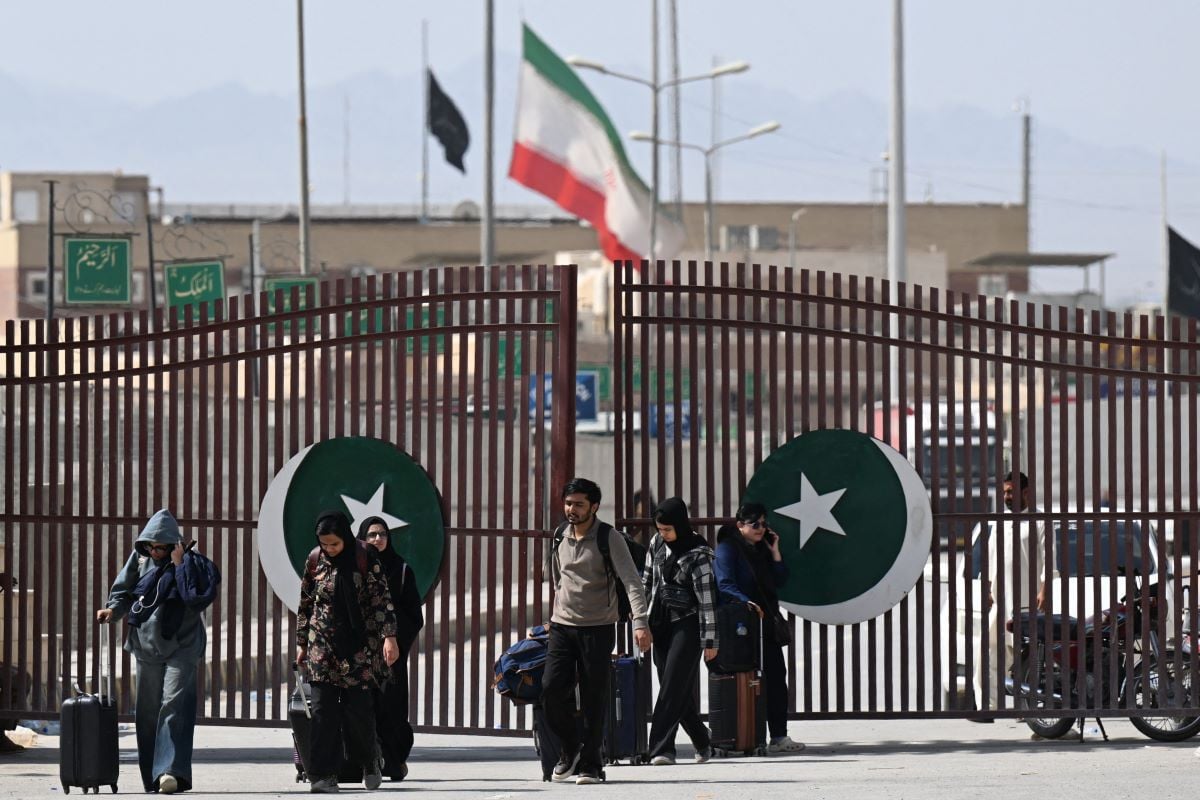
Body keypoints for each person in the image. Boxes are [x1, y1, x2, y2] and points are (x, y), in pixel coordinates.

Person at [542, 477, 651, 785]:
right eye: (568, 503)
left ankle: (591, 764)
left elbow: (632, 581)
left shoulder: (608, 537)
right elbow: (557, 576)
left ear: (594, 506)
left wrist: (640, 622)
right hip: (563, 626)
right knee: (550, 689)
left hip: (598, 628)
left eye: (578, 504)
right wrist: (558, 608)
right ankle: (570, 747)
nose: (571, 510)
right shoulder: (560, 534)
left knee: (594, 697)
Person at [95, 510, 211, 793]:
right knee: (147, 711)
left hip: (183, 644)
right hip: (146, 643)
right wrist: (113, 610)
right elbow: (123, 591)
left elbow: (197, 596)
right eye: (151, 546)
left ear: (174, 544)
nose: (156, 551)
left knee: (174, 704)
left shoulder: (191, 562)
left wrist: (180, 564)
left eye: (162, 546)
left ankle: (170, 771)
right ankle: (152, 775)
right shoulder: (141, 558)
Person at [296, 511, 399, 794]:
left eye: (334, 544)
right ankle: (322, 775)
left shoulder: (365, 557)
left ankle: (369, 760)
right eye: (325, 544)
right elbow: (306, 602)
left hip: (358, 648)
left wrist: (389, 637)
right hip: (323, 649)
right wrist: (301, 643)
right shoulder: (315, 559)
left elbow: (381, 599)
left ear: (345, 537)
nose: (329, 549)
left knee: (358, 712)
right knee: (321, 713)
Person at [714, 503, 805, 753]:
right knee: (743, 678)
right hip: (740, 625)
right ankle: (742, 734)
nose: (760, 528)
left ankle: (778, 735)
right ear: (740, 525)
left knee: (776, 676)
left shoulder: (762, 549)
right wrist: (748, 604)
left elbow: (781, 579)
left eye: (764, 524)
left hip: (766, 624)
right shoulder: (728, 549)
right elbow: (724, 584)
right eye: (755, 524)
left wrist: (775, 551)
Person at [642, 497, 718, 766]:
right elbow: (647, 581)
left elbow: (707, 599)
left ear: (681, 525)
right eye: (659, 529)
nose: (663, 534)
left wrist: (710, 640)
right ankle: (702, 738)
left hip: (688, 624)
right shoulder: (657, 544)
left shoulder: (699, 553)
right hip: (660, 622)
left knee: (672, 686)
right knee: (673, 687)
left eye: (667, 529)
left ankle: (661, 749)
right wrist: (642, 622)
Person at [972, 470, 1054, 719]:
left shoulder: (1040, 522)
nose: (1006, 497)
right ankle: (988, 707)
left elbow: (1050, 561)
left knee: (1024, 658)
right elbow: (989, 558)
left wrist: (1044, 591)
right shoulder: (1000, 522)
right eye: (1004, 492)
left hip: (1028, 602)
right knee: (989, 653)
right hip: (1000, 601)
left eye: (1010, 492)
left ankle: (1023, 710)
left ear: (1025, 493)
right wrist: (985, 588)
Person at [357, 516, 424, 782]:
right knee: (364, 707)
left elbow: (414, 616)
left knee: (392, 707)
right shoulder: (356, 568)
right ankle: (368, 760)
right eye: (371, 535)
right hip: (361, 654)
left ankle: (393, 760)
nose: (377, 539)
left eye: (382, 534)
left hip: (390, 653)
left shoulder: (402, 569)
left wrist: (393, 639)